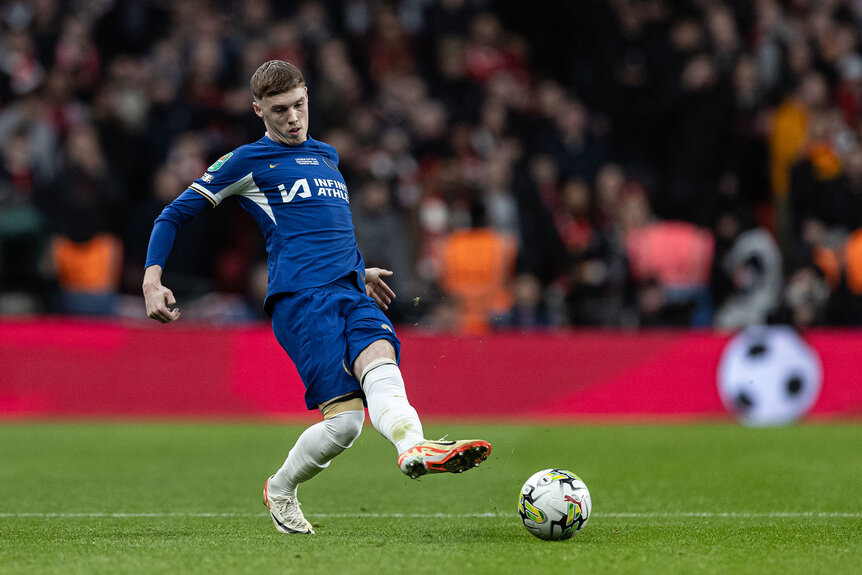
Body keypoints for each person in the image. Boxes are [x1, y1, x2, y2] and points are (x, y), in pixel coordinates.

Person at [142, 60, 491, 534]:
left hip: (349, 289)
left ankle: (415, 447)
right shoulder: (246, 161)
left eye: (300, 105)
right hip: (302, 301)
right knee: (345, 425)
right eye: (280, 110)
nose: (293, 118)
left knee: (382, 365)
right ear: (258, 110)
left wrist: (355, 270)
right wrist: (151, 279)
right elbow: (172, 215)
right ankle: (281, 488)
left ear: (309, 99)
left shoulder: (327, 156)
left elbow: (325, 227)